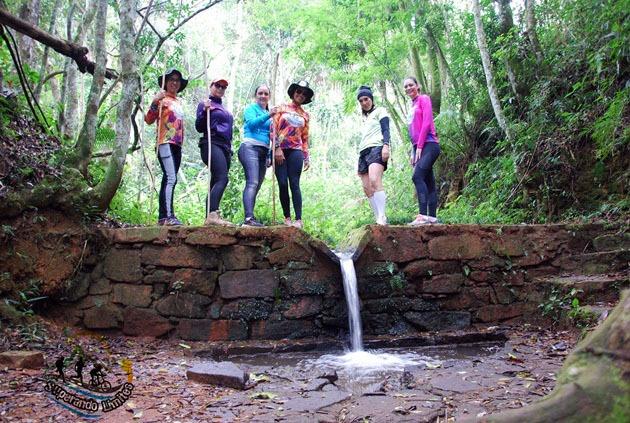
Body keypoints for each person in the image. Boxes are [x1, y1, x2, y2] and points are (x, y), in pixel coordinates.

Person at [144, 68, 188, 226]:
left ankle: (166, 215)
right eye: (171, 80)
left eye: (177, 80)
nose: (174, 83)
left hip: (177, 144)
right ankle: (167, 216)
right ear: (166, 82)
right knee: (171, 177)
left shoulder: (178, 102)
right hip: (165, 142)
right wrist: (155, 101)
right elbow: (148, 119)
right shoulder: (161, 99)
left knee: (170, 179)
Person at [272, 80, 313, 229]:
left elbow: (305, 137)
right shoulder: (281, 108)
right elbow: (273, 130)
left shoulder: (305, 115)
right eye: (298, 91)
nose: (300, 95)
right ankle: (287, 217)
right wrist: (276, 148)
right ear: (293, 92)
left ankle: (298, 219)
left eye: (304, 93)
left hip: (296, 151)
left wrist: (306, 155)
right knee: (283, 183)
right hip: (280, 150)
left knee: (294, 184)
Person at [196, 78, 235, 226]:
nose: (220, 88)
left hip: (225, 147)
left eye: (223, 87)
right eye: (217, 85)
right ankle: (212, 214)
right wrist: (204, 112)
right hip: (211, 142)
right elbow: (199, 127)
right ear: (211, 86)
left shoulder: (224, 109)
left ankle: (210, 216)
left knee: (215, 180)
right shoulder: (206, 104)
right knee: (222, 178)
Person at [238, 84, 278, 226]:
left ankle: (251, 217)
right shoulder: (251, 109)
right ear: (256, 96)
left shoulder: (270, 114)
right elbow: (251, 125)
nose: (263, 96)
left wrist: (269, 154)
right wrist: (269, 114)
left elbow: (270, 134)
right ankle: (248, 218)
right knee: (252, 182)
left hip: (263, 150)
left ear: (269, 96)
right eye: (260, 93)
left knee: (257, 184)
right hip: (249, 147)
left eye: (266, 94)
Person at [404, 76, 441, 225]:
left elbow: (426, 123)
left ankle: (422, 215)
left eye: (411, 85)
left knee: (417, 177)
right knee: (428, 181)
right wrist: (414, 151)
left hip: (429, 145)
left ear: (417, 86)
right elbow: (413, 132)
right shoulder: (412, 106)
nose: (408, 88)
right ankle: (431, 217)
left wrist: (419, 146)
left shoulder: (424, 99)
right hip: (418, 147)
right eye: (405, 86)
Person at [356, 86, 390, 225]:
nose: (364, 102)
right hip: (363, 151)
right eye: (361, 100)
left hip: (377, 147)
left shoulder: (380, 111)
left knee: (375, 180)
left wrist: (386, 146)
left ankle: (382, 216)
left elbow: (386, 129)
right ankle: (377, 217)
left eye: (366, 99)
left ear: (371, 99)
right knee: (366, 187)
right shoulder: (364, 118)